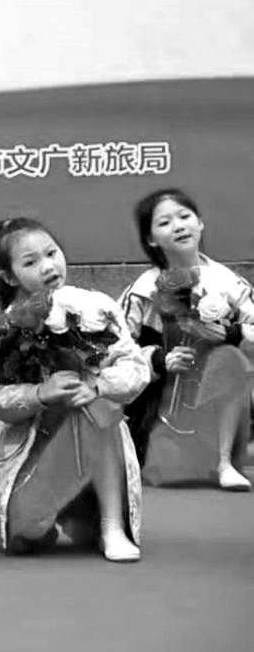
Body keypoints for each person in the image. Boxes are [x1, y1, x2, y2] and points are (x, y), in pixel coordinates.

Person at [0, 217, 147, 562]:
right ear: (9, 277)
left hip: (96, 432)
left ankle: (111, 525)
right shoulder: (4, 326)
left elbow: (136, 370)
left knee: (94, 406)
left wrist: (98, 385)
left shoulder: (97, 308)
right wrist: (40, 394)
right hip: (33, 450)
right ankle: (50, 512)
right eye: (31, 262)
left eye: (51, 253)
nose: (48, 266)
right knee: (28, 536)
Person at [117, 189, 252, 490]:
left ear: (200, 223)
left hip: (220, 401)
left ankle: (224, 462)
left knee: (230, 358)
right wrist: (158, 360)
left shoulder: (229, 283)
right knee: (167, 473)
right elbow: (116, 350)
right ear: (151, 239)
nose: (178, 226)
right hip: (163, 402)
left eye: (184, 216)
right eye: (164, 222)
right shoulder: (142, 291)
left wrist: (232, 334)